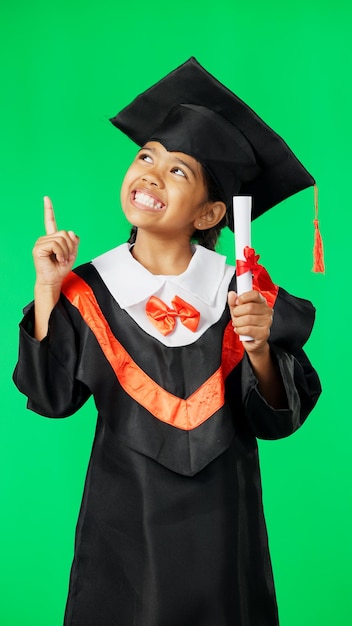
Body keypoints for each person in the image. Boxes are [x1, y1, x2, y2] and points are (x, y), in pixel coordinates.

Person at [13, 58, 321, 626]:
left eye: (179, 171)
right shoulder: (87, 291)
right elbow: (51, 399)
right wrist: (48, 289)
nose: (152, 174)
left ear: (210, 211)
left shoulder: (243, 294)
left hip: (224, 521)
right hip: (122, 522)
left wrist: (257, 347)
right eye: (146, 156)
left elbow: (277, 421)